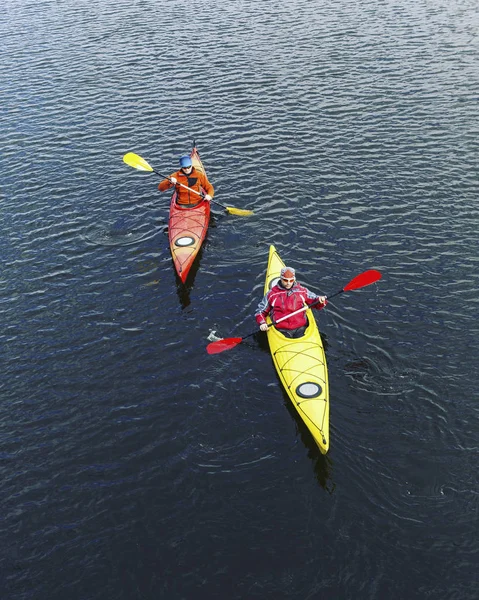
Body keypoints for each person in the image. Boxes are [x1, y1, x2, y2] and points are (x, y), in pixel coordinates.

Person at [255, 267, 327, 339]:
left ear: (294, 279)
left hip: (301, 327)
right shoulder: (271, 294)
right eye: (285, 280)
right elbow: (260, 312)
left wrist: (321, 301)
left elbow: (316, 302)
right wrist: (262, 323)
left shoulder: (302, 291)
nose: (288, 283)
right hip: (281, 329)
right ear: (281, 278)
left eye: (291, 280)